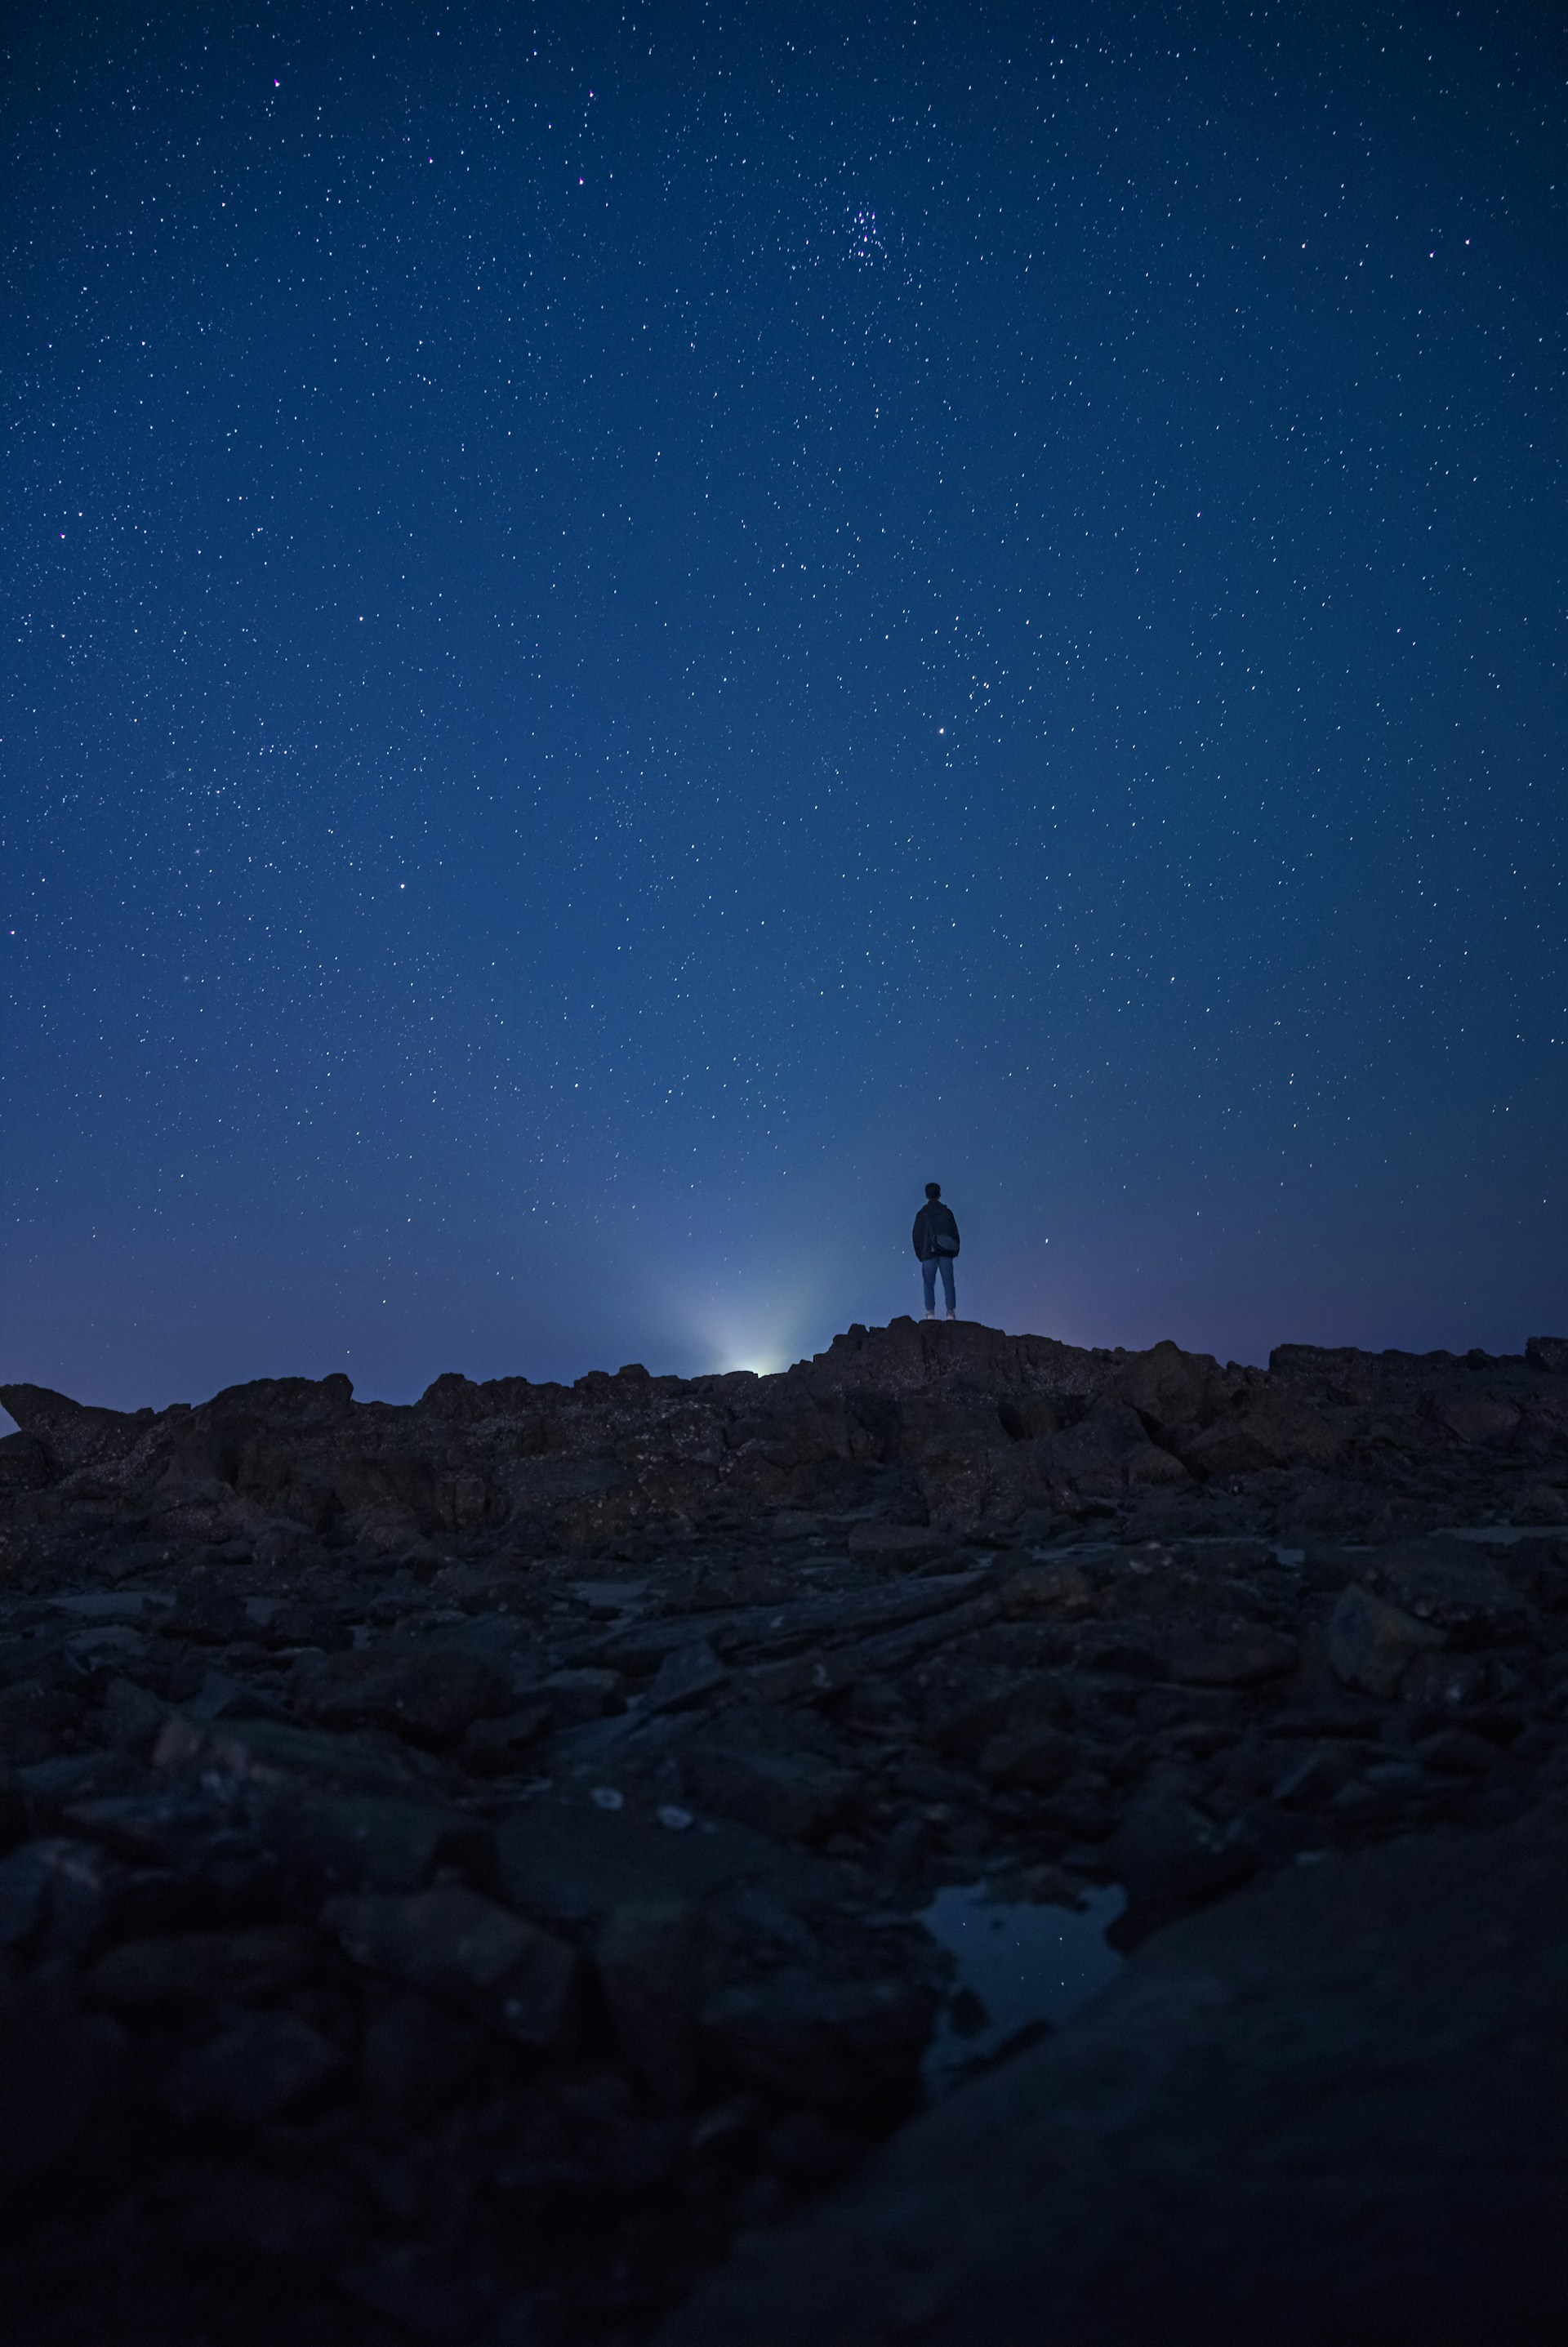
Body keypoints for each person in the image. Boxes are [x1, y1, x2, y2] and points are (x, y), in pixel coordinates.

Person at [911, 1181, 960, 1320]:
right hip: (946, 1253)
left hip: (928, 1253)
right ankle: (950, 1313)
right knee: (949, 1283)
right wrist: (954, 1250)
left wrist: (920, 1254)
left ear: (926, 1195)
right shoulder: (947, 1212)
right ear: (939, 1195)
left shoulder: (922, 1214)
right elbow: (955, 1233)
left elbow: (916, 1235)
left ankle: (930, 1313)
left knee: (928, 1284)